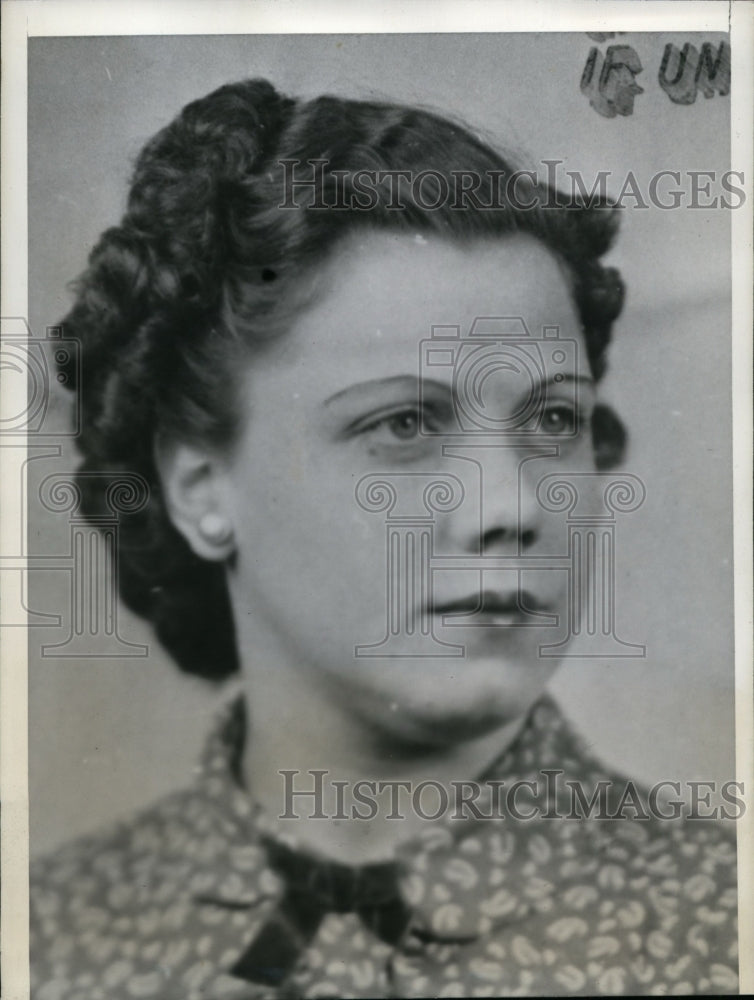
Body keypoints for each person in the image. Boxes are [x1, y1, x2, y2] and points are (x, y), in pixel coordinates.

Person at [30, 78, 738, 999]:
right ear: (202, 488)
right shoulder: (52, 939)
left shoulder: (724, 929)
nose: (509, 505)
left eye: (553, 420)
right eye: (404, 424)